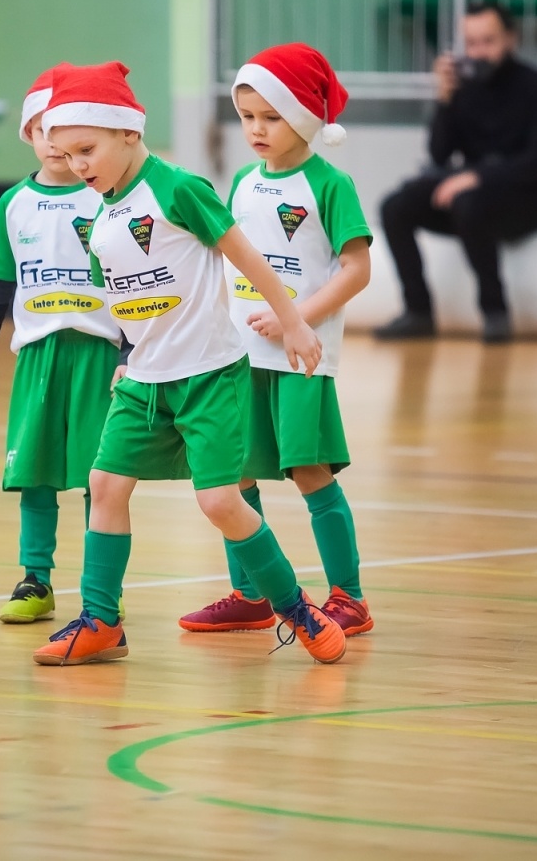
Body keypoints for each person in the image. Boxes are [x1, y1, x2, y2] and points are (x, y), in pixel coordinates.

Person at [32, 61, 347, 667]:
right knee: (104, 485)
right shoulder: (100, 221)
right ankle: (100, 621)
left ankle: (295, 608)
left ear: (128, 132)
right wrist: (127, 357)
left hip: (209, 377)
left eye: (87, 149)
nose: (78, 166)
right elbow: (128, 304)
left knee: (220, 504)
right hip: (145, 383)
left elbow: (245, 254)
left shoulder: (178, 189)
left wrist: (293, 321)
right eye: (66, 155)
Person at [178, 43, 375, 637]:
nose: (256, 130)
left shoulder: (329, 184)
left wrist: (296, 317)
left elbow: (357, 270)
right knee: (234, 473)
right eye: (247, 117)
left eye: (272, 116)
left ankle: (351, 596)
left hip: (300, 358)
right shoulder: (239, 182)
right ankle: (253, 593)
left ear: (307, 117)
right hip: (236, 358)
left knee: (311, 473)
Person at [0, 64, 126, 625]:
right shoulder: (13, 204)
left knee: (100, 474)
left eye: (66, 131)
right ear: (31, 137)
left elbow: (135, 278)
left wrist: (131, 353)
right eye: (43, 130)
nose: (54, 143)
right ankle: (36, 579)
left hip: (99, 353)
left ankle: (100, 585)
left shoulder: (108, 200)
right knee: (33, 471)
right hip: (37, 354)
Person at [375, 0, 537, 343]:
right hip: (470, 196)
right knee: (396, 206)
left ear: (511, 39)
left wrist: (476, 178)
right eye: (471, 43)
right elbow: (438, 154)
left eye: (488, 41)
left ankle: (495, 312)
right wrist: (445, 100)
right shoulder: (464, 88)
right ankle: (417, 311)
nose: (478, 52)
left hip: (527, 201)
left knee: (467, 202)